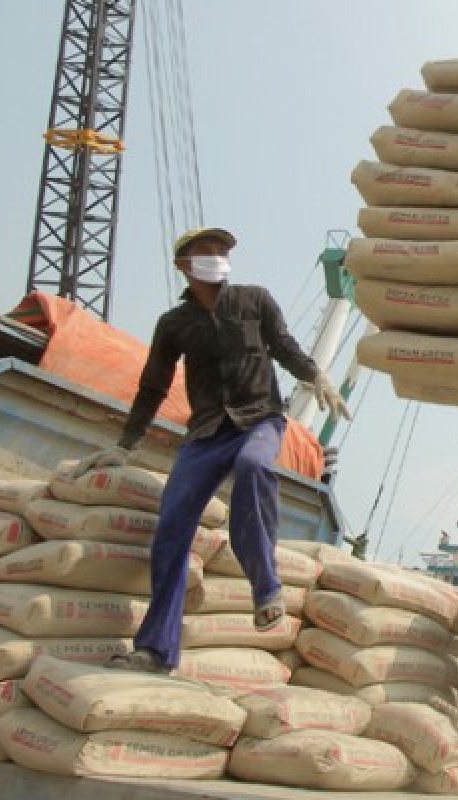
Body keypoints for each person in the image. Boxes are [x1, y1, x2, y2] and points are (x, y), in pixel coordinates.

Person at [73, 226, 350, 673]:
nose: (217, 257)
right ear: (184, 265)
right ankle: (156, 651)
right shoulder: (174, 324)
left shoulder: (254, 299)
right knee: (172, 528)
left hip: (259, 419)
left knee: (254, 465)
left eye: (222, 251)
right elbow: (152, 386)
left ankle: (265, 587)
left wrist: (317, 376)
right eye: (207, 252)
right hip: (205, 433)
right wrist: (126, 447)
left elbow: (283, 345)